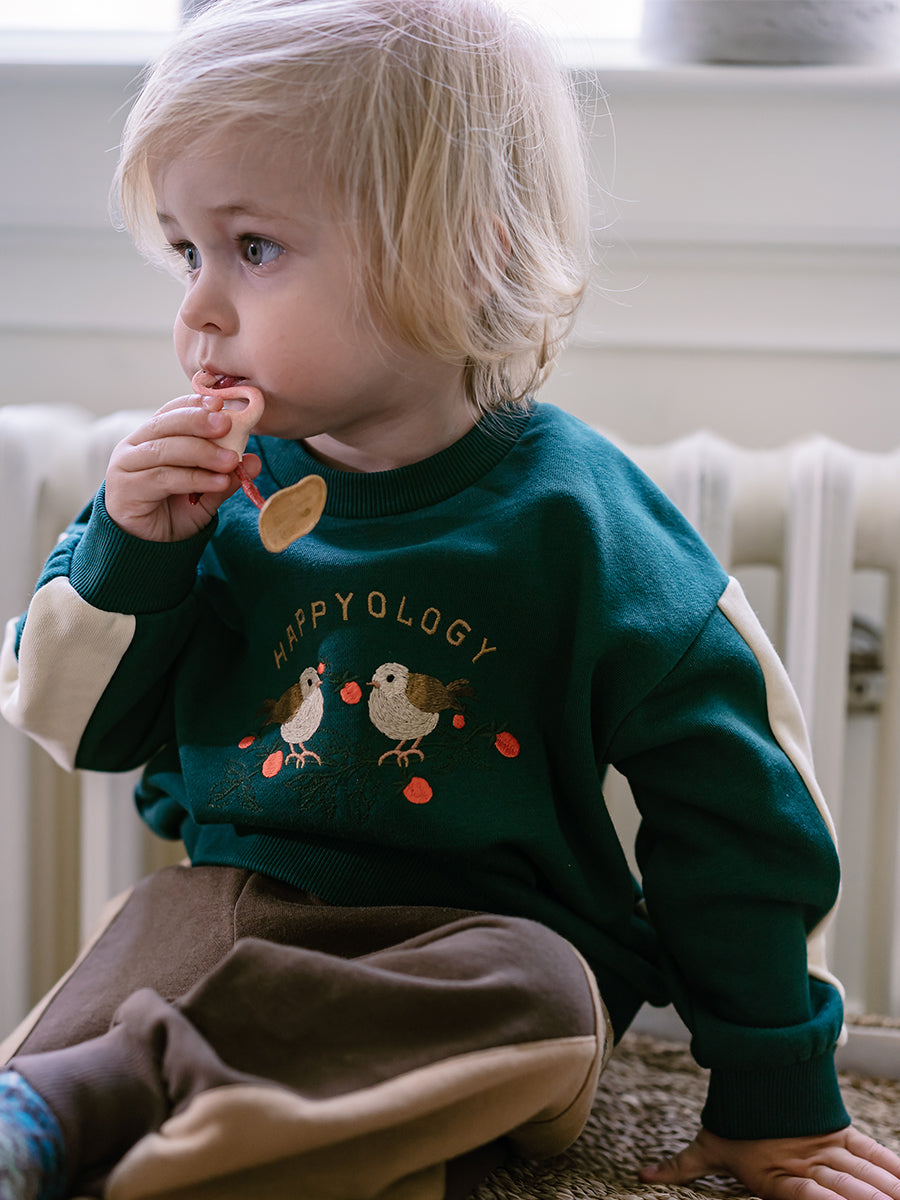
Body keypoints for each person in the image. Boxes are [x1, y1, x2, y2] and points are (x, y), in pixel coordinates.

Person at [1, 0, 899, 1197]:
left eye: (253, 248)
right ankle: (170, 1124)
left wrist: (776, 1092)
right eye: (186, 253)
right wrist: (131, 556)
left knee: (544, 989)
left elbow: (739, 813)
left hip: (473, 957)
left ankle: (140, 1110)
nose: (198, 310)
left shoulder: (585, 525)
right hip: (237, 914)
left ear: (463, 255)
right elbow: (79, 727)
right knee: (155, 927)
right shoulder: (196, 496)